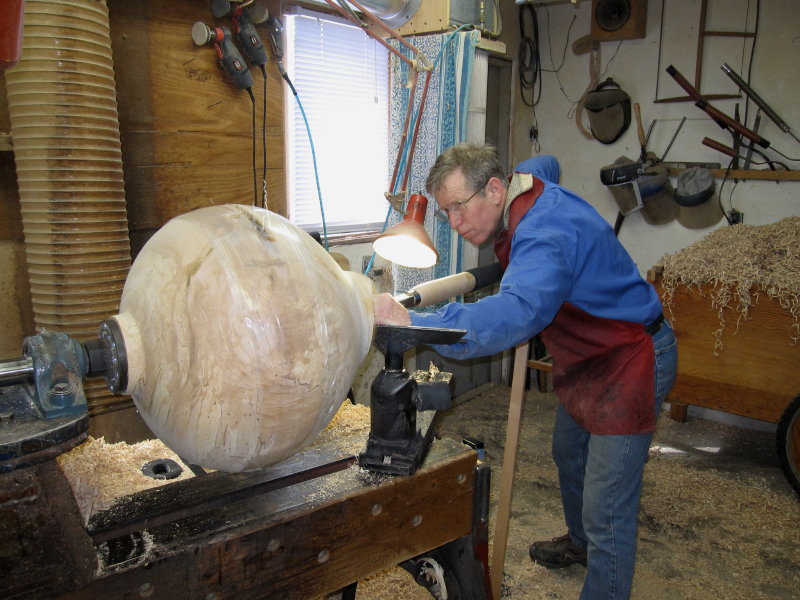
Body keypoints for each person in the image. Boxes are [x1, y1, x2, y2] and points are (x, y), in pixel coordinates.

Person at [373, 144, 678, 600]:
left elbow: (516, 313)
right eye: (445, 211)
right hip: (587, 357)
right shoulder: (523, 183)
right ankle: (580, 544)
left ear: (495, 190)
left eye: (459, 206)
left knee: (608, 507)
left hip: (630, 357)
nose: (454, 222)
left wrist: (414, 322)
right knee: (569, 454)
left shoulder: (543, 233)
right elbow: (547, 163)